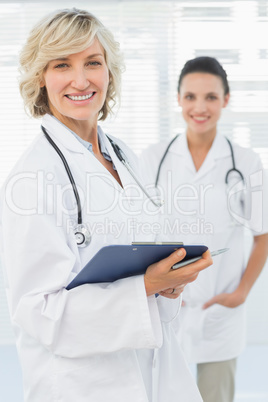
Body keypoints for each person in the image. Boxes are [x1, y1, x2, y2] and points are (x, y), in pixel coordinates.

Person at [0, 9, 213, 402]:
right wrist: (147, 285)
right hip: (81, 387)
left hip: (153, 373)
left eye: (93, 63)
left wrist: (169, 283)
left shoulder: (124, 156)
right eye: (62, 64)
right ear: (40, 78)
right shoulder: (32, 177)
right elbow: (38, 312)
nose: (80, 80)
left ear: (109, 72)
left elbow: (142, 250)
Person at [140, 56, 268, 402]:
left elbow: (263, 235)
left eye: (211, 97)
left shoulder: (245, 162)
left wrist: (241, 292)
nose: (200, 107)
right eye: (191, 96)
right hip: (165, 305)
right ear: (179, 99)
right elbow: (137, 233)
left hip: (219, 307)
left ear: (225, 100)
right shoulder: (152, 160)